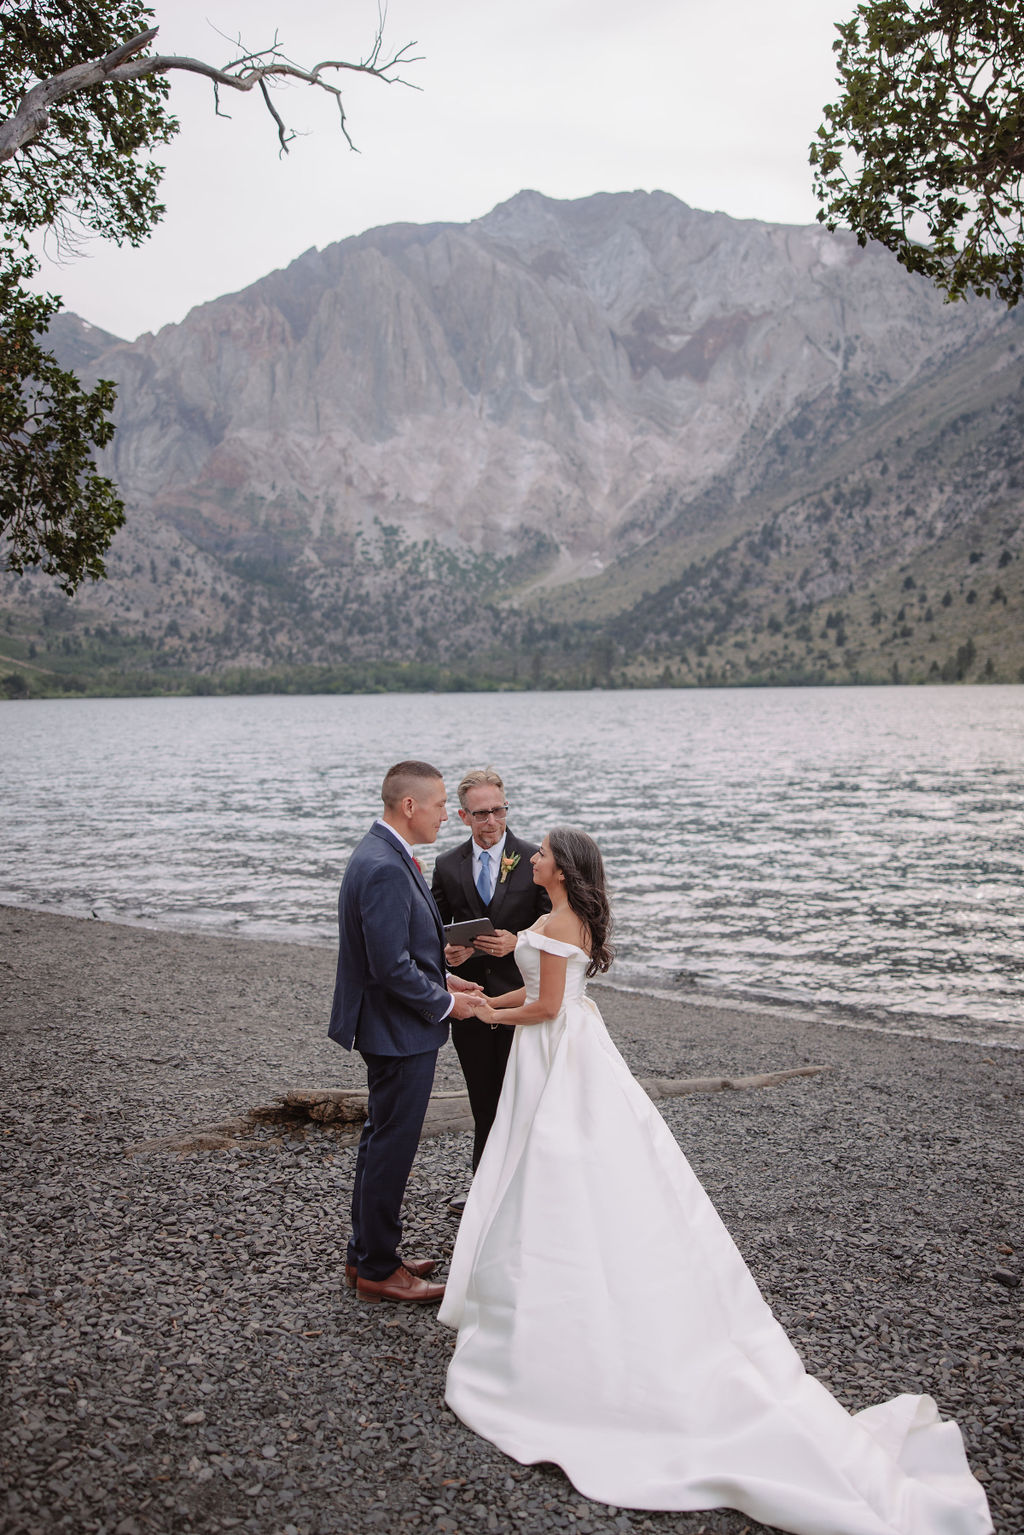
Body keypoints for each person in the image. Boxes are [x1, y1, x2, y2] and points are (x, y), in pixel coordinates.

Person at [438, 829, 993, 1535]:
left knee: (556, 1170)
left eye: (542, 852)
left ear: (561, 868)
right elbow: (542, 988)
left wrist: (488, 1010)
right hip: (563, 1050)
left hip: (555, 1050)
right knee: (562, 1170)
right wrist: (494, 995)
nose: (532, 857)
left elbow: (544, 1006)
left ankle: (555, 1316)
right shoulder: (558, 916)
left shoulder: (557, 918)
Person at [327, 760, 480, 1305]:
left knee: (379, 1142)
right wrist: (447, 1006)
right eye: (441, 805)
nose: (448, 814)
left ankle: (366, 1254)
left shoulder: (383, 852)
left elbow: (403, 951)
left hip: (392, 1025)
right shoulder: (386, 865)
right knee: (391, 1146)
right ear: (409, 806)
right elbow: (389, 967)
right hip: (397, 1031)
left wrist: (446, 977)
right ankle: (377, 1270)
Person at [431, 767, 549, 1190]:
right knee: (484, 1101)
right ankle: (483, 1190)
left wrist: (518, 942)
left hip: (523, 999)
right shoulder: (447, 866)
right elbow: (430, 927)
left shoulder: (536, 858)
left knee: (526, 1098)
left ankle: (528, 1189)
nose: (491, 821)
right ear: (464, 817)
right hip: (471, 1002)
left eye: (498, 810)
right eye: (480, 814)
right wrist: (446, 953)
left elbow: (558, 926)